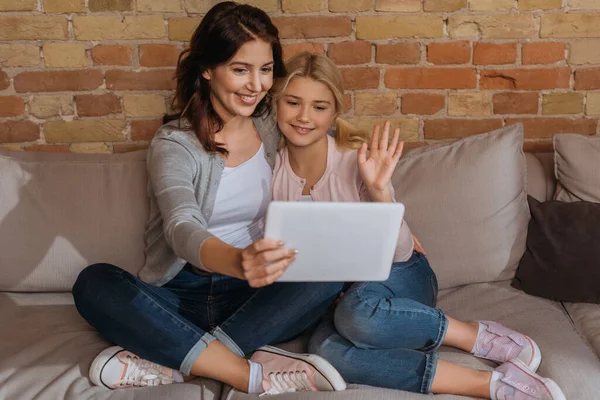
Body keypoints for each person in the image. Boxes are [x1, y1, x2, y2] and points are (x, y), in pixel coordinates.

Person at [71, 4, 346, 396]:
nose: (256, 85)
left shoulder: (271, 124)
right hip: (180, 293)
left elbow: (325, 128)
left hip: (253, 294)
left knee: (329, 270)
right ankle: (244, 370)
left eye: (265, 69)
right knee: (94, 283)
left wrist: (383, 201)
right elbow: (182, 226)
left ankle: (183, 360)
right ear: (207, 69)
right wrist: (238, 261)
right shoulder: (174, 144)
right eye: (240, 69)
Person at [271, 52, 566, 400]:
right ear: (276, 103)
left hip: (400, 275)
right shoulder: (269, 172)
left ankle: (475, 335)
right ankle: (493, 385)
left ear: (334, 111)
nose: (304, 117)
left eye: (318, 107)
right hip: (329, 299)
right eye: (293, 102)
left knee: (359, 315)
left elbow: (400, 250)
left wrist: (380, 190)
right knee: (328, 353)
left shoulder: (356, 160)